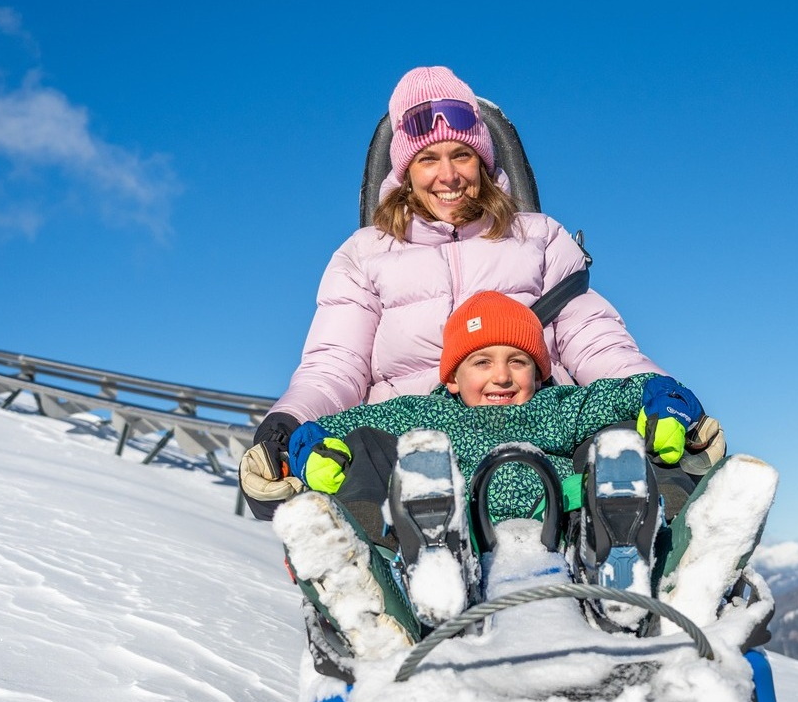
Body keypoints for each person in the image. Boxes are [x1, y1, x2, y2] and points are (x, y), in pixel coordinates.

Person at [238, 65, 725, 520]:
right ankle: (369, 575)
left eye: (461, 155)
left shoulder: (539, 239)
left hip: (540, 427)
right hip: (411, 440)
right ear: (405, 171)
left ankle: (677, 555)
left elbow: (596, 342)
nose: (447, 176)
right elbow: (334, 363)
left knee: (621, 441)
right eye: (427, 158)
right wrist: (288, 423)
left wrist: (658, 393)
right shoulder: (365, 255)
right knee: (359, 460)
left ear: (484, 159)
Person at [271, 292, 776, 659]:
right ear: (450, 375)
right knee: (395, 462)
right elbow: (341, 426)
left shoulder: (555, 407)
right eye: (482, 362)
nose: (502, 376)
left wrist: (664, 401)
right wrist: (313, 445)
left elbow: (627, 392)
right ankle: (398, 592)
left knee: (621, 446)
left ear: (538, 372)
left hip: (568, 533)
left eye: (518, 361)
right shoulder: (424, 416)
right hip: (463, 532)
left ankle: (669, 573)